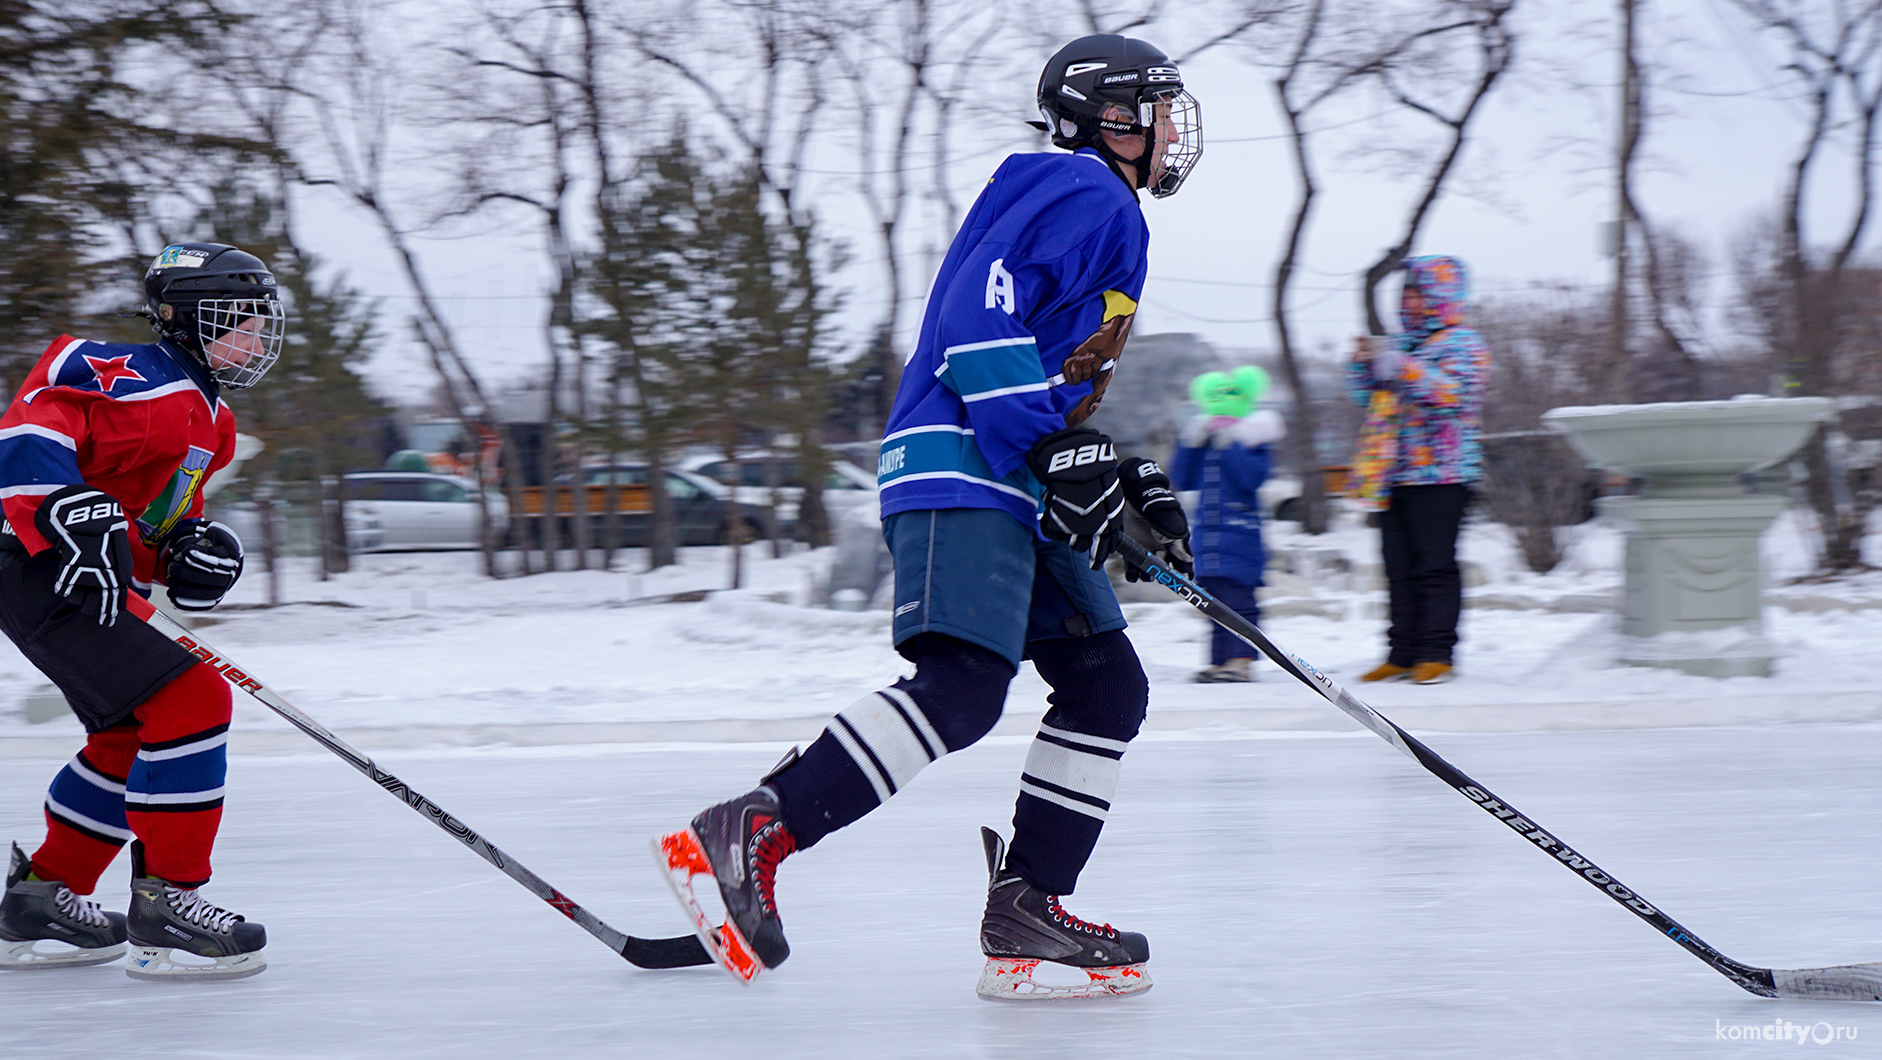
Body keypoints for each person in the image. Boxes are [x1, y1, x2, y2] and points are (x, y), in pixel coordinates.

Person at [652, 34, 1201, 1001]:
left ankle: (1028, 905)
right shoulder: (1079, 187)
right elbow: (977, 318)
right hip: (963, 464)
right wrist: (1048, 445)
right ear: (1111, 117)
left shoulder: (1107, 212)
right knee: (962, 686)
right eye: (1158, 107)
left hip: (1010, 474)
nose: (1172, 128)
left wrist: (1118, 470)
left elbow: (1042, 365)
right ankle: (755, 831)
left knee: (1106, 685)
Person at [0, 243, 282, 980]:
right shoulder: (122, 371)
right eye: (236, 321)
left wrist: (189, 552)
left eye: (261, 323)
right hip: (35, 561)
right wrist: (61, 501)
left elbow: (147, 531)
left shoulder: (212, 425)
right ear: (180, 319)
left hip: (80, 573)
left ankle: (41, 898)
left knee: (132, 731)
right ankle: (169, 905)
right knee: (193, 697)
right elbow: (34, 421)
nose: (254, 340)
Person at [1347, 255, 1488, 686]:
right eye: (1404, 294)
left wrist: (1402, 366)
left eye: (1416, 293)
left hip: (1443, 477)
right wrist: (1362, 364)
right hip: (1394, 473)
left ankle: (1437, 653)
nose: (1407, 302)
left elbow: (1454, 396)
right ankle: (1401, 653)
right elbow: (1365, 397)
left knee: (1434, 566)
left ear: (1440, 297)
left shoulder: (1464, 344)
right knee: (1398, 567)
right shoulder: (1404, 345)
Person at [1170, 366, 1285, 683]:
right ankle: (1219, 661)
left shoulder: (1253, 441)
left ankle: (1241, 660)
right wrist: (1190, 444)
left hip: (1240, 534)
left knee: (1238, 599)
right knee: (1212, 600)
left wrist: (1231, 443)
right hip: (1207, 536)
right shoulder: (1205, 441)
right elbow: (1181, 479)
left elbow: (1252, 479)